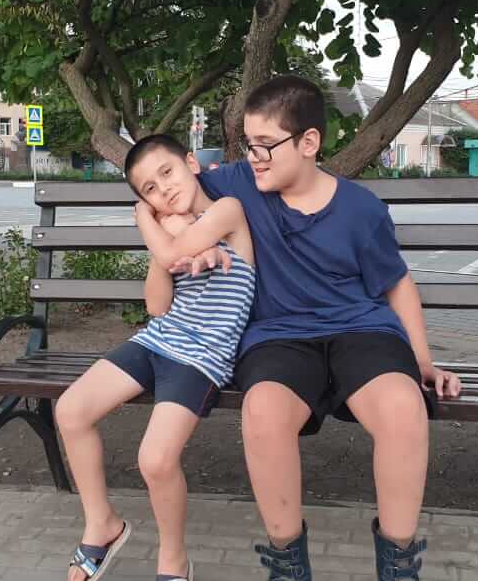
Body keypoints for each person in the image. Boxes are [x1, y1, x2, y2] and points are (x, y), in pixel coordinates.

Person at [182, 75, 462, 580]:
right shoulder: (238, 184)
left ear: (309, 142)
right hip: (279, 336)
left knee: (404, 408)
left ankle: (398, 565)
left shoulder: (360, 208)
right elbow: (162, 193)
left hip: (362, 332)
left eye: (266, 144)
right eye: (249, 143)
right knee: (263, 412)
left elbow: (397, 284)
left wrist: (422, 360)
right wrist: (185, 235)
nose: (254, 157)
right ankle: (289, 564)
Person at [54, 134, 256, 581]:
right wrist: (167, 239)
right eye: (149, 189)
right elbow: (156, 307)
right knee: (70, 410)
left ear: (191, 163)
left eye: (167, 172)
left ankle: (173, 561)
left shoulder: (227, 211)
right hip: (157, 341)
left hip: (201, 358)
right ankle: (102, 523)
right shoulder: (170, 229)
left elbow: (171, 249)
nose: (163, 188)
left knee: (155, 460)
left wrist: (146, 218)